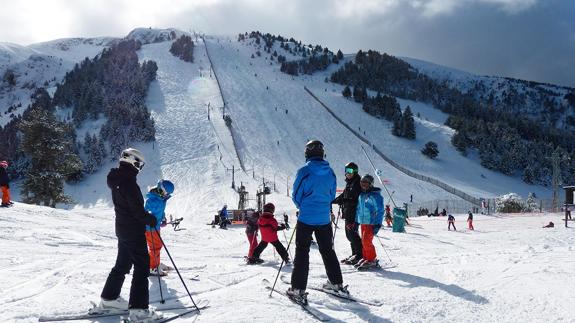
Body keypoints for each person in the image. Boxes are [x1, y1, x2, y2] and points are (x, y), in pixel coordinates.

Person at [95, 148, 161, 321]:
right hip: (133, 231)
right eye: (139, 164)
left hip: (122, 229)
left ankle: (109, 299)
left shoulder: (117, 179)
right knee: (141, 266)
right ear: (133, 162)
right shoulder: (129, 183)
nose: (140, 167)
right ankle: (139, 311)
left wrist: (145, 217)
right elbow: (137, 211)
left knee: (123, 264)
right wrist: (150, 219)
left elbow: (128, 207)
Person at [287, 140, 347, 304]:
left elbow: (296, 194)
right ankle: (336, 283)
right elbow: (331, 194)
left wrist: (303, 206)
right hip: (323, 219)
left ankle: (298, 288)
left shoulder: (304, 171)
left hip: (306, 217)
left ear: (307, 153)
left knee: (302, 251)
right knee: (328, 250)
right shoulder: (331, 172)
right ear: (322, 154)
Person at [331, 162, 362, 265]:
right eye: (346, 171)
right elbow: (344, 195)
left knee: (353, 235)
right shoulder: (350, 183)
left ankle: (359, 254)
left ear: (355, 171)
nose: (347, 173)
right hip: (348, 213)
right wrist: (333, 201)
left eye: (350, 171)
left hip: (354, 213)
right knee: (349, 235)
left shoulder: (357, 183)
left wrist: (344, 200)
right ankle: (354, 254)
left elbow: (356, 200)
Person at [145, 180, 175, 277]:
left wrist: (163, 219)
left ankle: (156, 263)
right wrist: (150, 218)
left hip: (156, 227)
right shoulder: (153, 200)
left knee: (157, 245)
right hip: (150, 228)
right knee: (155, 246)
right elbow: (146, 212)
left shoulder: (160, 198)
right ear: (162, 190)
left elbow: (160, 211)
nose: (167, 195)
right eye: (167, 193)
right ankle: (153, 267)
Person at [354, 174, 384, 269]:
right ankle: (366, 257)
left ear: (370, 184)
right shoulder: (361, 195)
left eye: (366, 183)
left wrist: (378, 223)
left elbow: (380, 210)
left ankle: (372, 260)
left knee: (367, 241)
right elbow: (358, 209)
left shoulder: (375, 196)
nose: (363, 185)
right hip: (363, 221)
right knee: (363, 241)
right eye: (362, 183)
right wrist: (356, 221)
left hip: (371, 222)